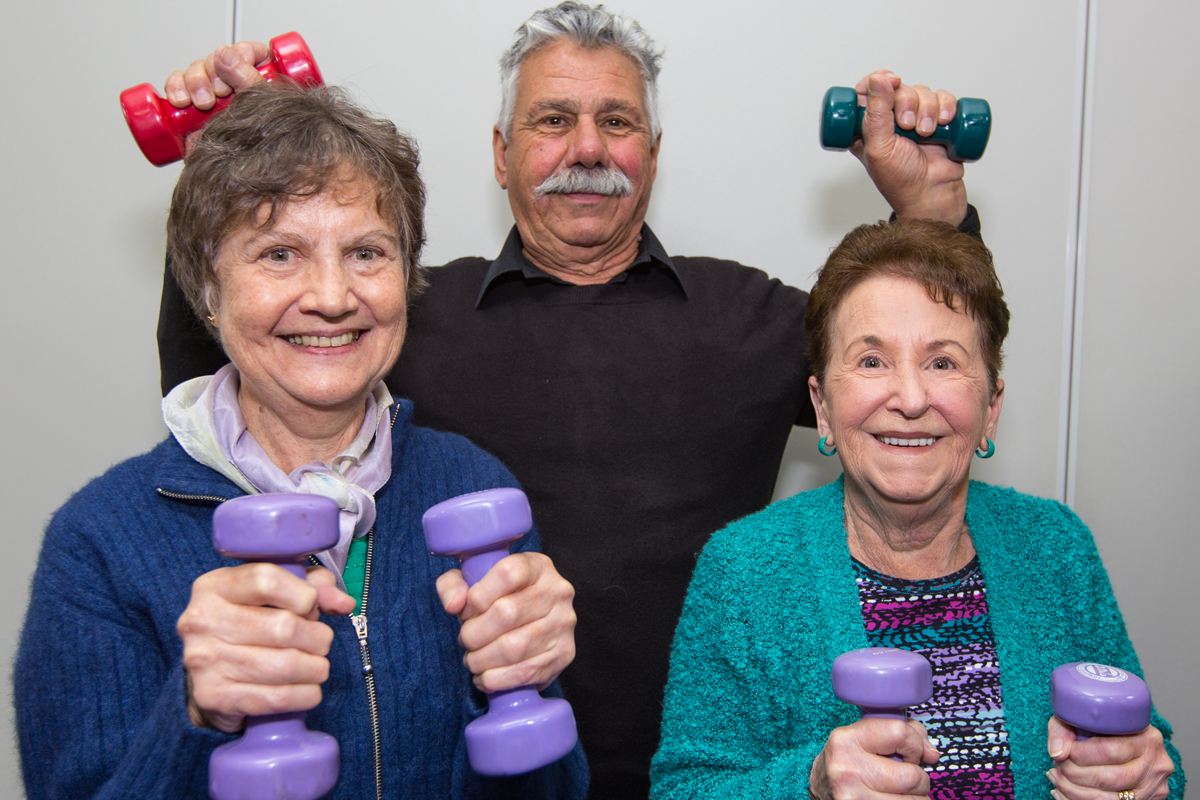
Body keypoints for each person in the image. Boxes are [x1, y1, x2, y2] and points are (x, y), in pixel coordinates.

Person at [153, 3, 982, 794]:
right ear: (500, 152)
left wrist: (931, 207)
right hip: (464, 777)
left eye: (616, 122)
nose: (588, 146)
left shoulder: (748, 315)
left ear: (652, 151)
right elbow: (232, 389)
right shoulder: (403, 318)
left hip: (724, 774)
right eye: (552, 120)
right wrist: (231, 167)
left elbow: (921, 373)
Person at [14, 83, 587, 800]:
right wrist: (194, 718)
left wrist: (525, 676)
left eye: (367, 252)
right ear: (208, 285)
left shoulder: (475, 487)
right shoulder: (98, 543)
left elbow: (551, 786)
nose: (331, 296)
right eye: (279, 253)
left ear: (406, 278)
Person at [649, 219, 1184, 799]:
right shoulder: (743, 570)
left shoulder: (1056, 546)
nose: (909, 399)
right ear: (822, 406)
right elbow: (684, 788)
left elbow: (1154, 756)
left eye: (943, 363)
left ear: (991, 407)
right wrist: (810, 786)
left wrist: (1141, 782)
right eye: (872, 361)